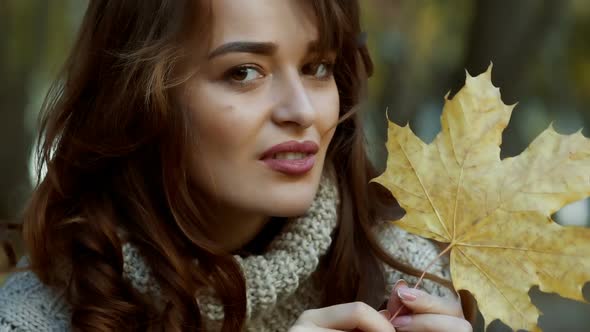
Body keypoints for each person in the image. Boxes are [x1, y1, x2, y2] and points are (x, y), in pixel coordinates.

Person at [0, 1, 474, 331]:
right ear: (141, 99)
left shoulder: (411, 282)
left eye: (317, 67)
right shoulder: (34, 317)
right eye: (244, 72)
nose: (302, 111)